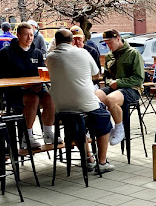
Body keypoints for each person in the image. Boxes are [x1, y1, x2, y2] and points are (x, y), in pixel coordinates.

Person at [46, 29, 114, 173]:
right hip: (86, 105)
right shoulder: (83, 52)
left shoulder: (50, 57)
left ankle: (89, 159)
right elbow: (96, 72)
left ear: (56, 42)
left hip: (61, 108)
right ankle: (102, 163)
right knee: (104, 118)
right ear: (71, 41)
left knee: (75, 124)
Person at [0, 22, 56, 148]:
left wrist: (41, 84)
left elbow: (42, 73)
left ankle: (48, 133)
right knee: (33, 99)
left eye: (31, 35)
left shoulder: (37, 53)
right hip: (14, 91)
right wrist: (24, 86)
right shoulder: (5, 53)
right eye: (26, 35)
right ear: (18, 35)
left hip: (35, 88)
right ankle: (27, 136)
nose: (29, 38)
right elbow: (2, 76)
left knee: (49, 98)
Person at [95, 29, 145, 146]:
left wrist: (119, 83)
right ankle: (106, 126)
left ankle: (119, 128)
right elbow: (106, 76)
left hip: (132, 89)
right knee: (95, 96)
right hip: (114, 87)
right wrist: (110, 82)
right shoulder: (109, 56)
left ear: (118, 39)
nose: (108, 46)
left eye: (110, 43)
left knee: (110, 99)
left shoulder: (133, 53)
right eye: (106, 44)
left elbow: (139, 78)